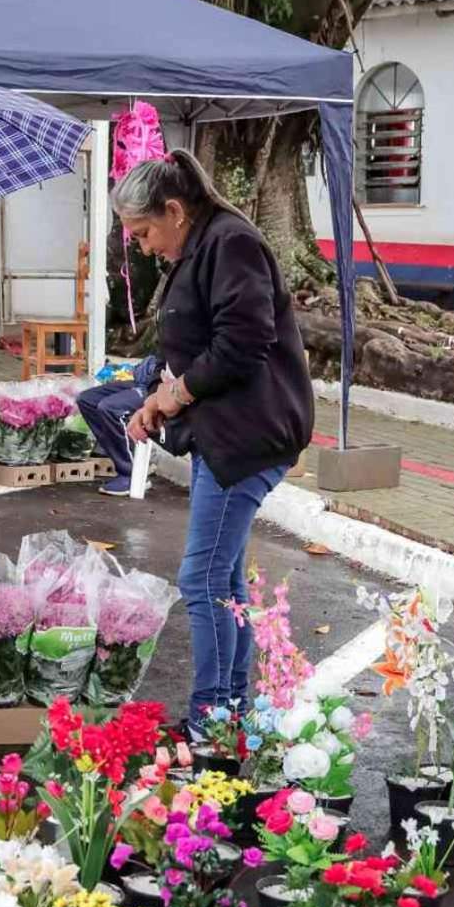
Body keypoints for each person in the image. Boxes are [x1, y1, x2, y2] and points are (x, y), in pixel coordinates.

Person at [114, 150, 313, 738]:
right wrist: (158, 393)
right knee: (221, 579)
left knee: (200, 579)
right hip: (224, 432)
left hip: (247, 435)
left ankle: (210, 719)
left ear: (175, 211)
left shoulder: (232, 243)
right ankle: (229, 711)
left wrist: (175, 397)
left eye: (145, 232)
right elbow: (192, 342)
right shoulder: (200, 246)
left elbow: (243, 341)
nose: (144, 247)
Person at [77, 355, 159, 496]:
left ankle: (131, 473)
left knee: (110, 408)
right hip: (145, 381)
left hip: (162, 388)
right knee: (87, 400)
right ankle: (122, 458)